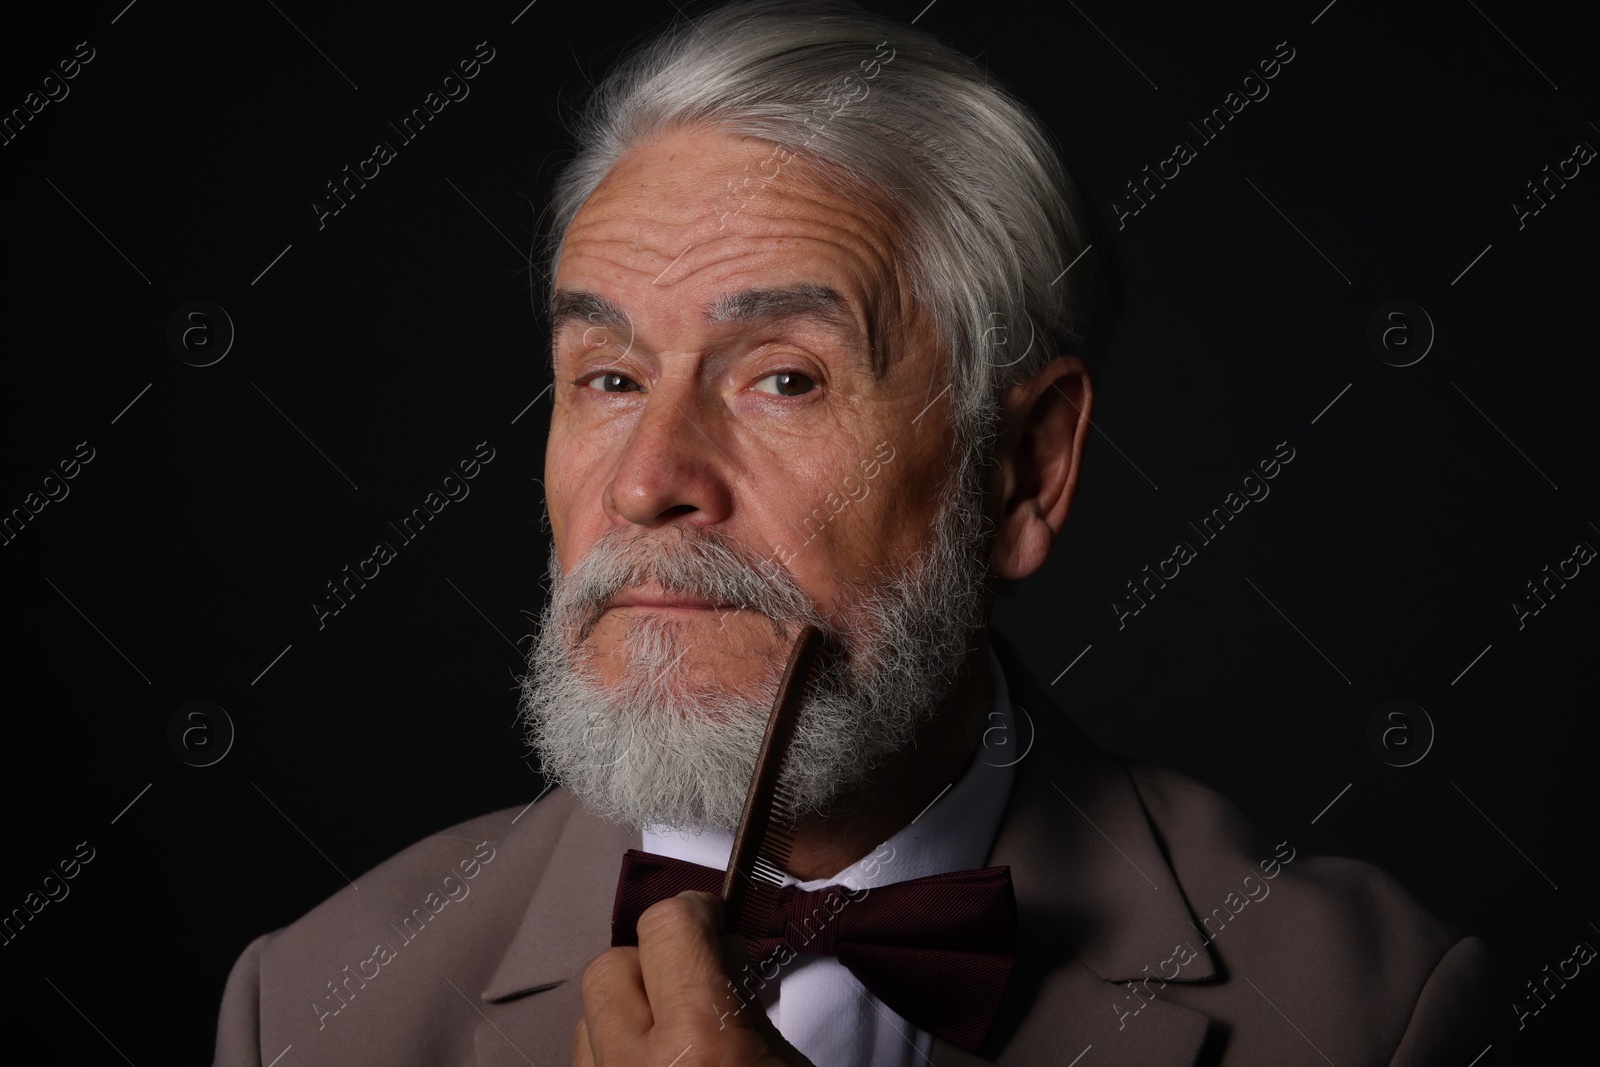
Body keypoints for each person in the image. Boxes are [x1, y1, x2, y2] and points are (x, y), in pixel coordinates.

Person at [213, 2, 1498, 1063]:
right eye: (607, 376)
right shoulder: (316, 1004)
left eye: (784, 377)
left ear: (1026, 470)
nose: (649, 479)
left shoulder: (1365, 1017)